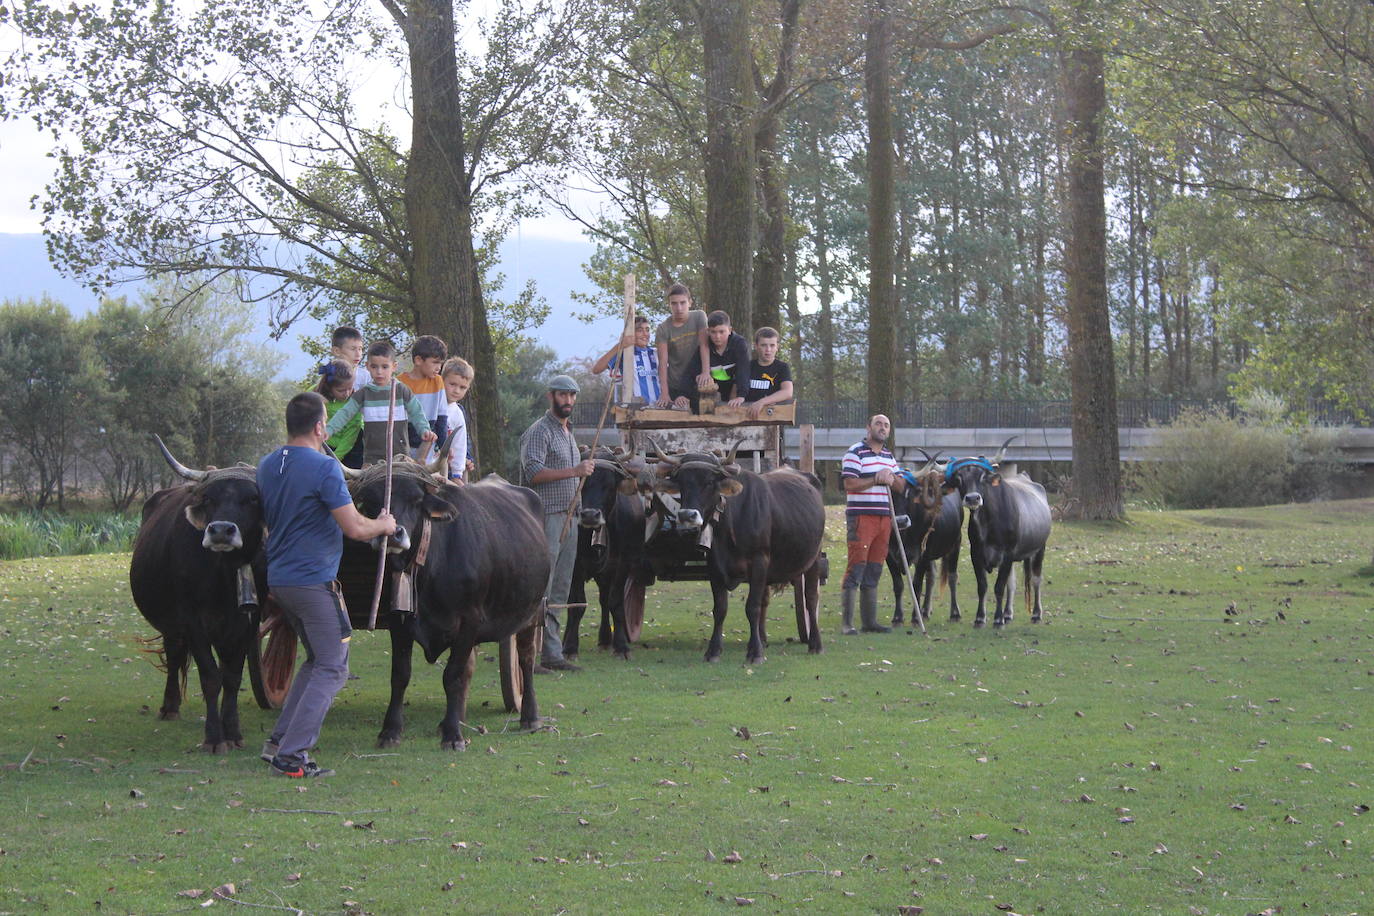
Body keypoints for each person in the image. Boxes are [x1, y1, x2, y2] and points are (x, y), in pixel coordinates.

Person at [257, 392, 397, 777]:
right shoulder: (324, 468)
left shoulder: (267, 465)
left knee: (319, 660)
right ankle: (291, 758)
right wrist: (384, 524)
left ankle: (278, 744)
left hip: (281, 580)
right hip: (312, 583)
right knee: (334, 667)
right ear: (320, 427)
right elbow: (354, 527)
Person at [519, 374, 594, 673]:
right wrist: (573, 470)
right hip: (546, 516)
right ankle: (530, 654)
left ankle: (552, 652)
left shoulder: (567, 432)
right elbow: (533, 471)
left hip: (570, 516)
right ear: (551, 397)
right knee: (542, 587)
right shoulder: (539, 431)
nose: (568, 401)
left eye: (573, 396)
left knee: (561, 588)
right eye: (563, 395)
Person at [839, 414, 907, 635]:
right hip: (861, 517)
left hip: (884, 519)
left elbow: (901, 487)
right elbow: (850, 483)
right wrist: (875, 479)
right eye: (878, 424)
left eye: (886, 425)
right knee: (857, 566)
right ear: (869, 427)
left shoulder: (888, 456)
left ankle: (870, 622)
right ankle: (847, 624)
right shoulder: (855, 452)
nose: (882, 428)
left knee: (875, 567)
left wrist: (891, 478)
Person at [325, 340, 435, 465]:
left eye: (384, 367)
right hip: (372, 460)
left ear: (394, 366)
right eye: (374, 367)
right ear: (367, 366)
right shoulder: (363, 393)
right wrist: (328, 431)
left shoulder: (402, 390)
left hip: (401, 458)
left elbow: (417, 412)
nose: (379, 372)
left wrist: (424, 430)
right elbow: (344, 414)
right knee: (360, 484)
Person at [653, 283, 710, 409]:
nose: (679, 307)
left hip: (698, 382)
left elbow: (704, 346)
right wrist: (665, 393)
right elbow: (663, 362)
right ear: (669, 304)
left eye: (683, 302)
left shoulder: (699, 316)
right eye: (674, 303)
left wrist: (706, 372)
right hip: (676, 384)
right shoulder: (663, 329)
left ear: (690, 302)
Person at [679, 310, 751, 407]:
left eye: (722, 332)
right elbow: (690, 372)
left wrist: (741, 395)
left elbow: (743, 370)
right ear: (708, 331)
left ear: (729, 330)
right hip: (711, 389)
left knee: (737, 384)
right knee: (702, 379)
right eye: (713, 332)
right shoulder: (704, 346)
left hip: (732, 387)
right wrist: (683, 394)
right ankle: (707, 413)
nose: (717, 336)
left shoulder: (739, 344)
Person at [398, 334, 449, 461]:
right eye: (435, 362)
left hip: (427, 448)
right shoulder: (399, 383)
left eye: (441, 363)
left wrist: (444, 447)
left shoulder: (438, 382)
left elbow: (441, 418)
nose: (439, 368)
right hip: (402, 448)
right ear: (418, 360)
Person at [592, 315, 661, 405]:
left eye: (647, 330)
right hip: (636, 411)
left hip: (660, 409)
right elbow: (596, 369)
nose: (645, 334)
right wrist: (620, 345)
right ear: (631, 333)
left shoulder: (657, 353)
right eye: (640, 330)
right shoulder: (626, 353)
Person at [312, 359, 363, 468]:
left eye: (350, 388)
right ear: (329, 387)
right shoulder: (314, 396)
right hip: (320, 445)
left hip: (349, 450)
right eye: (341, 390)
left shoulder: (354, 404)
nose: (347, 393)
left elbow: (349, 438)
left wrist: (334, 460)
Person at [743, 326, 794, 420]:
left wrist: (762, 402)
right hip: (746, 418)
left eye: (772, 345)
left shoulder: (782, 367)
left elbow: (787, 392)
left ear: (777, 347)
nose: (768, 349)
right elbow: (735, 393)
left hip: (773, 420)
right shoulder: (747, 367)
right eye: (763, 345)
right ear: (756, 346)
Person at [440, 357, 474, 483]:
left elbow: (460, 443)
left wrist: (457, 474)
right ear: (442, 380)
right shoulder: (431, 404)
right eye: (452, 384)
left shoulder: (458, 413)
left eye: (462, 387)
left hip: (449, 469)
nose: (456, 391)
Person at [330, 326, 369, 391]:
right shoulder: (327, 377)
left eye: (360, 349)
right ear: (336, 351)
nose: (358, 354)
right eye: (352, 349)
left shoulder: (366, 377)